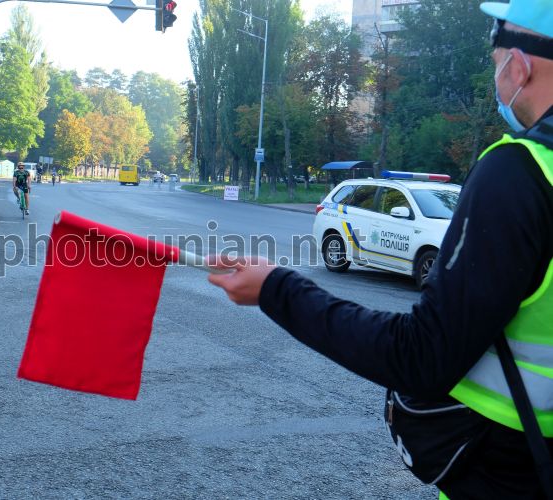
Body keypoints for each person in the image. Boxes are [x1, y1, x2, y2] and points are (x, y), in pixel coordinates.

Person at [208, 1, 553, 497]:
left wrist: (276, 289)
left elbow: (421, 357)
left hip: (510, 472)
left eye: (494, 59)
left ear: (518, 66)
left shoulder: (521, 173)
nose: (496, 72)